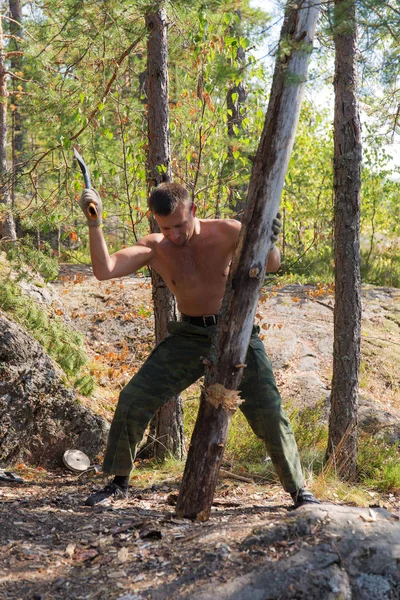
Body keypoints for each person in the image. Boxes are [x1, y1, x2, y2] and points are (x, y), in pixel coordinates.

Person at [79, 182, 319, 509]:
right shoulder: (155, 247)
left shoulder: (227, 231)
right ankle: (119, 482)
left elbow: (273, 264)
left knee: (269, 411)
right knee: (134, 398)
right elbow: (104, 270)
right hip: (188, 337)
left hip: (236, 331)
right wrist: (95, 224)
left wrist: (269, 239)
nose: (174, 234)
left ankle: (299, 492)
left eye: (180, 224)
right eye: (166, 227)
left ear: (193, 209)